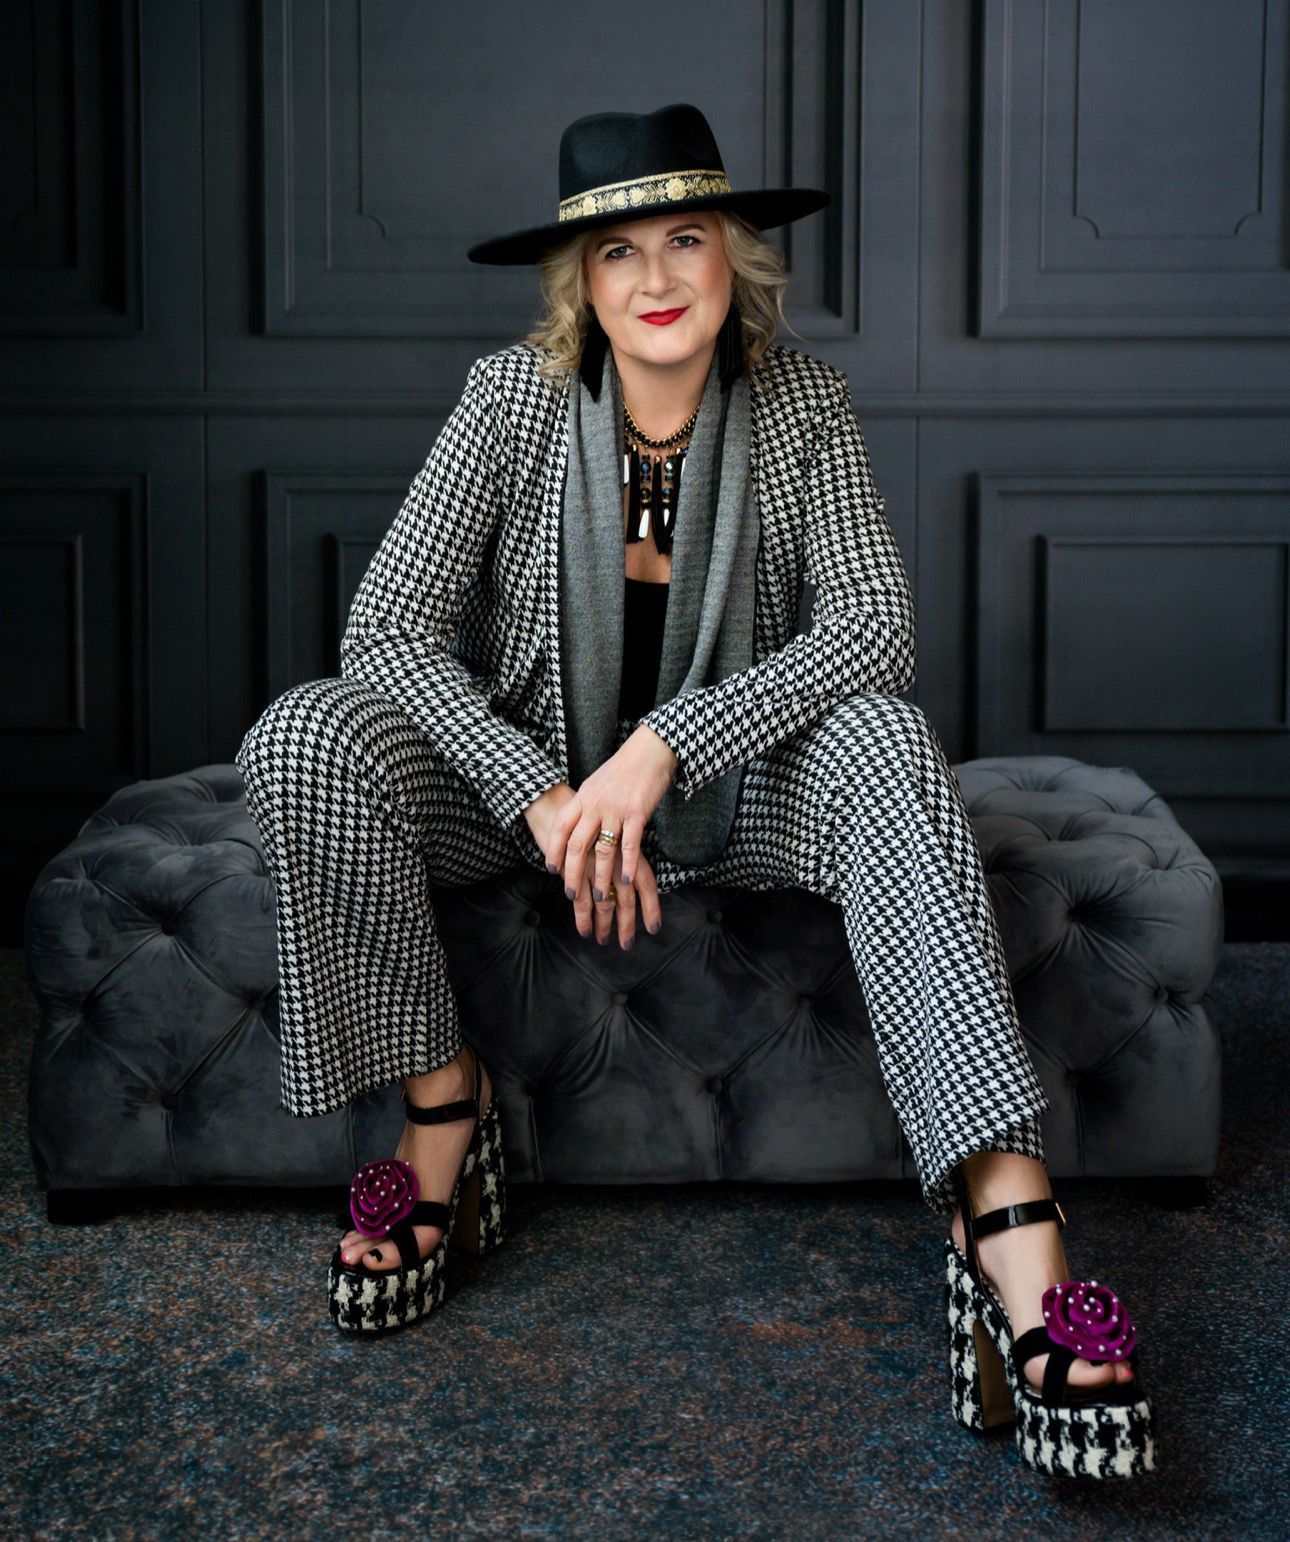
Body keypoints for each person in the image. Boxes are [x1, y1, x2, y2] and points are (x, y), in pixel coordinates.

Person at [235, 104, 1153, 1478]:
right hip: (529, 792)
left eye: (684, 240)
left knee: (889, 739)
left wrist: (667, 741)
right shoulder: (508, 401)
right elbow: (388, 630)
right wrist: (534, 788)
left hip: (743, 794)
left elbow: (869, 630)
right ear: (581, 286)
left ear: (733, 262)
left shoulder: (801, 404)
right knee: (303, 734)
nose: (655, 279)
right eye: (617, 252)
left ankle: (1004, 1210)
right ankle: (443, 1105)